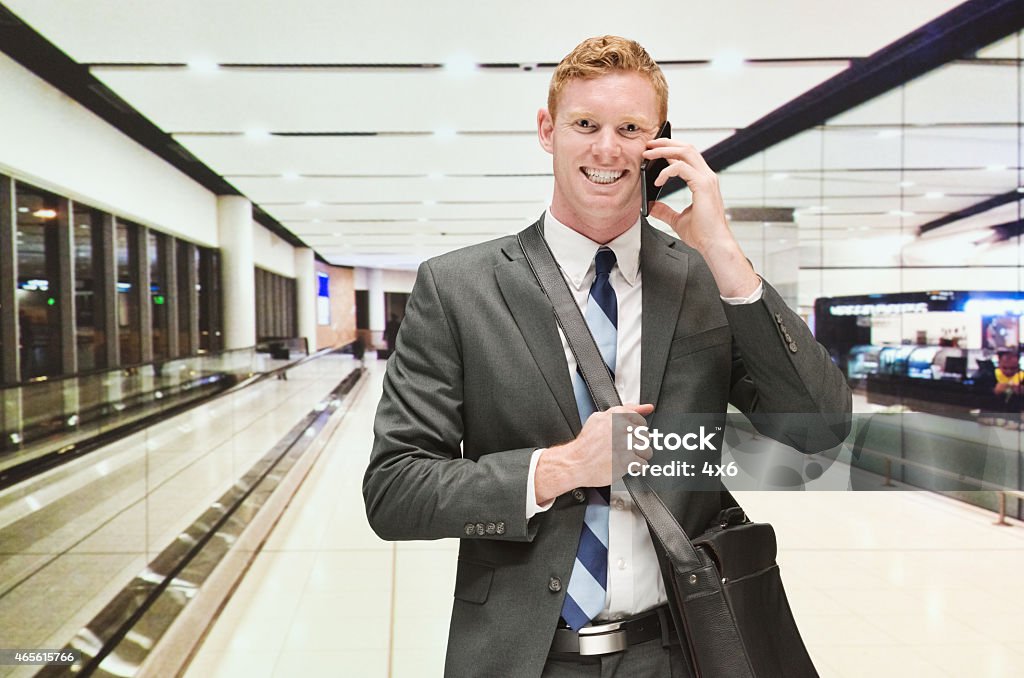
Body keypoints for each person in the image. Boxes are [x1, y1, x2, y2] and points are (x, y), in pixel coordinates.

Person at [364, 36, 851, 678]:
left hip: (681, 648)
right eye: (586, 124)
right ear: (548, 130)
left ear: (659, 142)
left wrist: (724, 254)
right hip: (528, 655)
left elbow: (817, 427)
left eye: (630, 129)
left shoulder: (700, 282)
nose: (606, 148)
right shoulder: (458, 287)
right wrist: (558, 468)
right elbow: (394, 490)